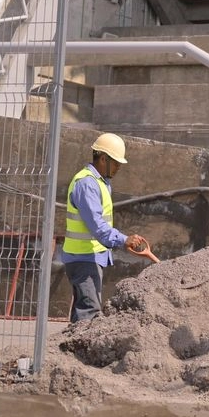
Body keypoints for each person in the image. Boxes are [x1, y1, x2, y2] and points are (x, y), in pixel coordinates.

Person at [59, 132, 146, 322]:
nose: (118, 168)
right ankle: (79, 350)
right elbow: (97, 226)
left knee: (84, 310)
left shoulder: (99, 182)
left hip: (88, 257)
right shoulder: (87, 184)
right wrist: (123, 240)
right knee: (89, 312)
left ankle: (70, 349)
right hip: (83, 258)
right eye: (115, 163)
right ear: (103, 158)